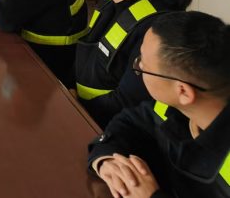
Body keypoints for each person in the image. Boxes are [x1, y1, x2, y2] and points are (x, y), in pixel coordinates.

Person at [88, 11, 230, 198]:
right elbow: (128, 123)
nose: (138, 67)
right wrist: (107, 160)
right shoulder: (174, 109)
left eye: (144, 66)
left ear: (183, 91)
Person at [75, 0, 192, 127]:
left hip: (107, 124)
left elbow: (129, 99)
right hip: (82, 108)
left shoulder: (152, 26)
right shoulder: (109, 4)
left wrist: (78, 106)